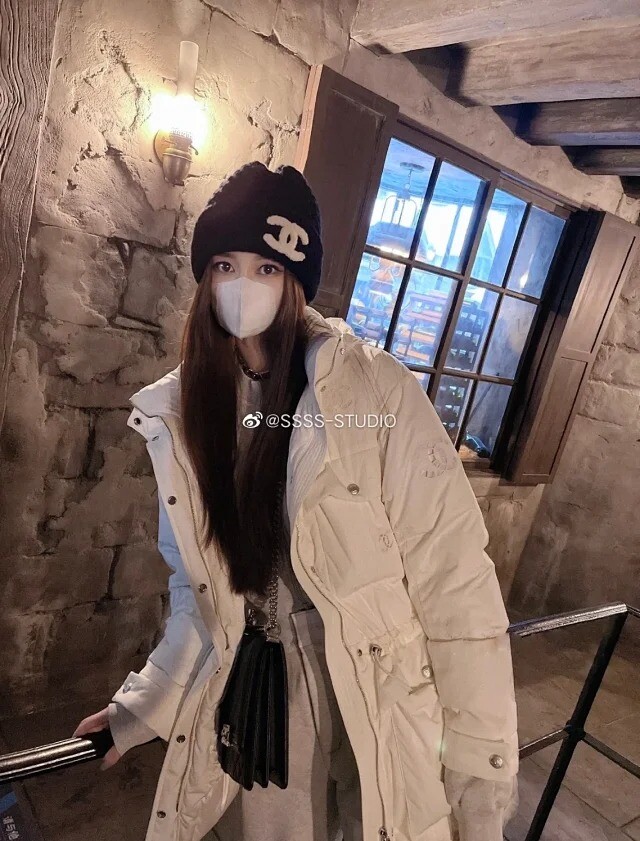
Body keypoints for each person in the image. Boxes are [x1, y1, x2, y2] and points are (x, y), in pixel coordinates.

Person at [73, 161, 519, 841]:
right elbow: (200, 594)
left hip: (367, 690)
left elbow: (454, 578)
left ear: (296, 281)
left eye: (267, 268)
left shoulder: (374, 393)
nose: (241, 285)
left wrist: (480, 764)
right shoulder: (188, 411)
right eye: (224, 265)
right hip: (253, 694)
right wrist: (142, 707)